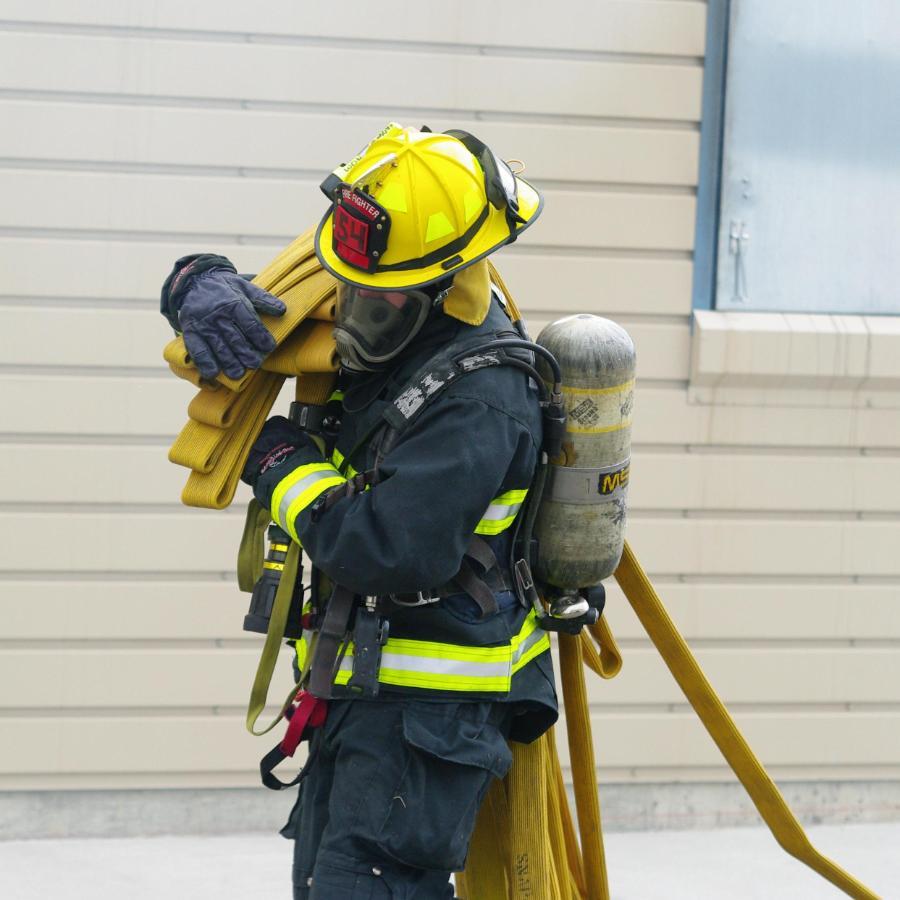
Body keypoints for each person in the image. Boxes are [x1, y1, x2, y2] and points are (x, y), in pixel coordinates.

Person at [161, 124, 558, 899]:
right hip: (363, 693)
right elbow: (278, 303)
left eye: (378, 296)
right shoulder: (396, 327)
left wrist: (278, 464)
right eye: (349, 286)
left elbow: (386, 547)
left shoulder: (480, 399)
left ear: (448, 282)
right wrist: (194, 283)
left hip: (426, 726)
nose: (350, 309)